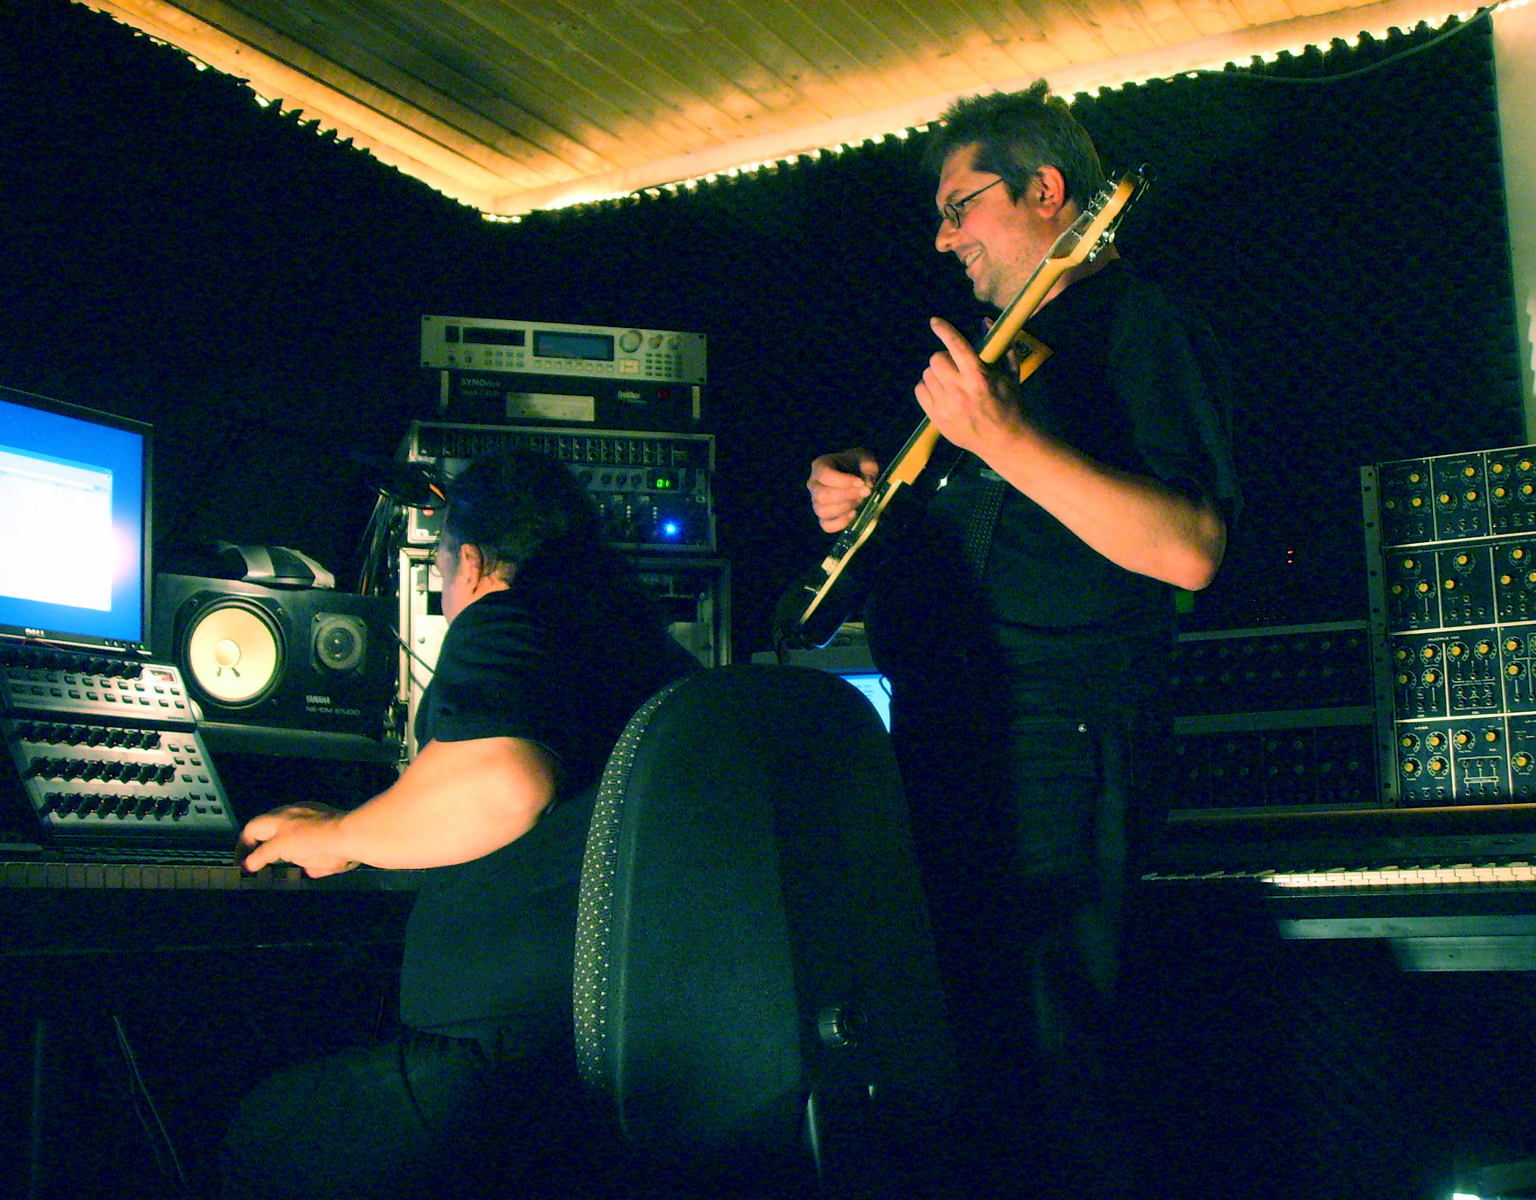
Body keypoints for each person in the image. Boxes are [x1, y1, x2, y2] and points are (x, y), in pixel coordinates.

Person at [805, 81, 1240, 1198]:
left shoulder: (1140, 323)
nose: (943, 238)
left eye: (962, 206)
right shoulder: (1008, 354)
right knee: (970, 1058)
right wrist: (870, 505)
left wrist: (1001, 440)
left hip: (1057, 741)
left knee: (1055, 1065)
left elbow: (1189, 548)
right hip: (954, 740)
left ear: (1047, 191)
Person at [215, 450, 698, 1198]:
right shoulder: (648, 652)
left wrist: (336, 839)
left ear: (469, 561)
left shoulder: (510, 614)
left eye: (442, 572)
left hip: (499, 1074)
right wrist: (360, 827)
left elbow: (502, 786)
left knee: (257, 1124)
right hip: (628, 1061)